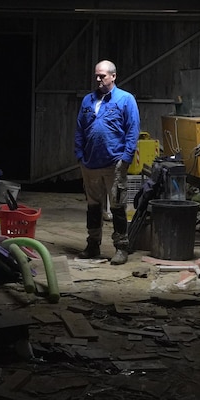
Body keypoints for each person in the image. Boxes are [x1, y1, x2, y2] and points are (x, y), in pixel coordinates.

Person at [74, 59, 140, 265]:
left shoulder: (126, 100)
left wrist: (126, 158)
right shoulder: (88, 101)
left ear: (113, 76)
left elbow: (133, 129)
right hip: (90, 164)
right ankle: (93, 244)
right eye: (96, 75)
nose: (98, 79)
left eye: (102, 75)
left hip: (114, 164)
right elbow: (79, 129)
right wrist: (80, 155)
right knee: (93, 206)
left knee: (118, 206)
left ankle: (121, 247)